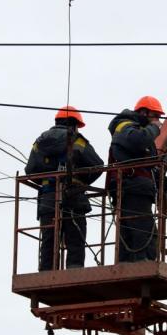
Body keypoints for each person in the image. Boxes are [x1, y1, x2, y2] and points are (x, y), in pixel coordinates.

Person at [25, 106, 103, 271]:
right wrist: (82, 181)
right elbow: (97, 165)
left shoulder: (39, 143)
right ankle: (74, 270)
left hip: (48, 198)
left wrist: (48, 180)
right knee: (75, 236)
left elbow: (30, 170)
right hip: (73, 195)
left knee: (49, 237)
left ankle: (46, 271)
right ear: (73, 124)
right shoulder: (76, 140)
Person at [107, 95, 164, 262]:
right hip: (132, 187)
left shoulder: (138, 130)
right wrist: (154, 128)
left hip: (136, 187)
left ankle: (128, 263)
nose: (158, 121)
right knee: (144, 231)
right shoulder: (125, 126)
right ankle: (142, 263)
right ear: (144, 112)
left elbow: (149, 163)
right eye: (156, 116)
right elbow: (137, 141)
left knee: (133, 229)